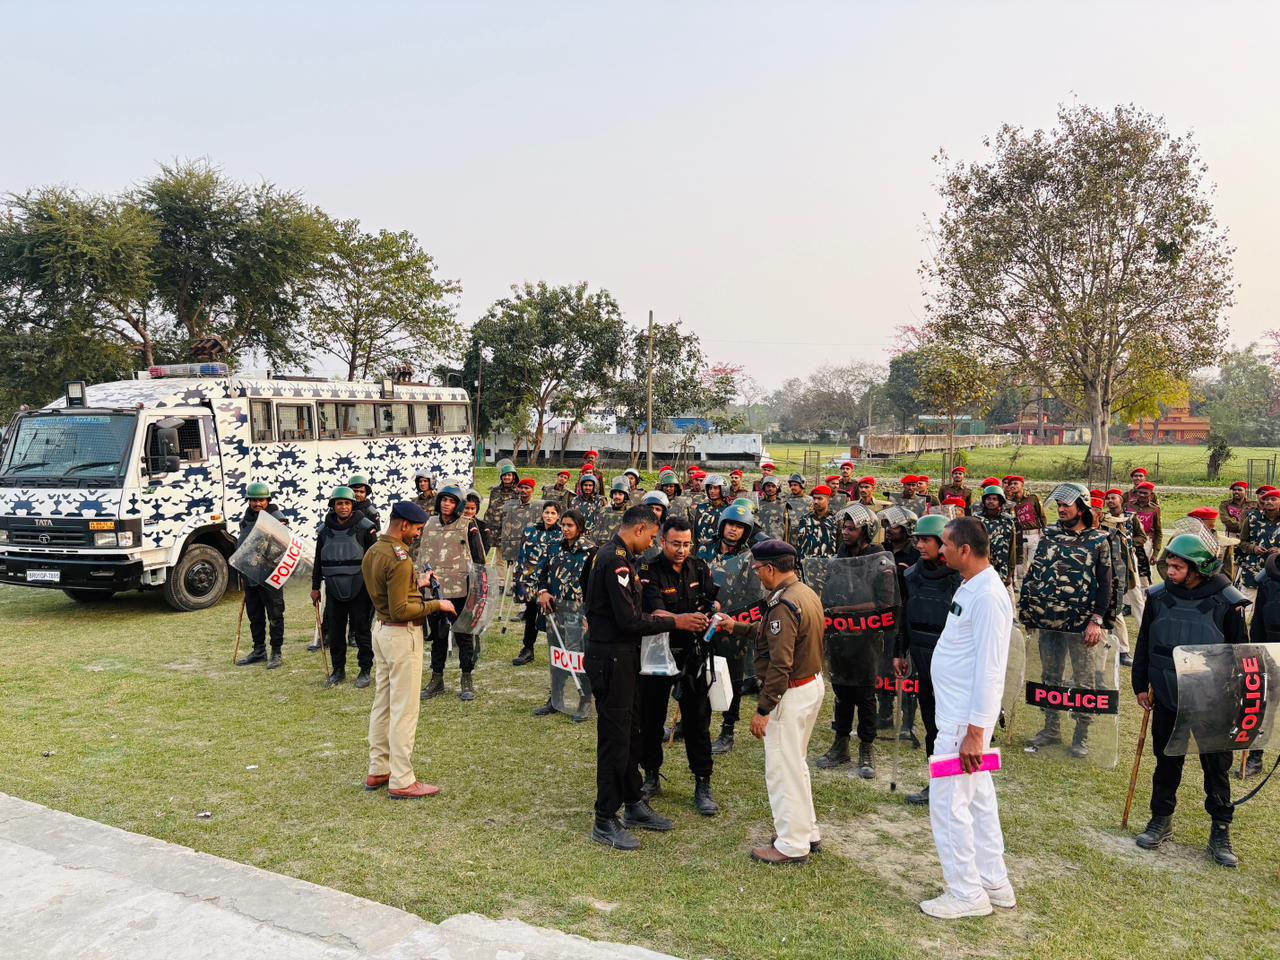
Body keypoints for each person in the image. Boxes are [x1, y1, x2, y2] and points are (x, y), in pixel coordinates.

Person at [585, 505, 708, 851]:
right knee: (615, 739)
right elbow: (630, 619)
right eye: (653, 537)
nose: (652, 544)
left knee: (631, 732)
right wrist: (676, 621)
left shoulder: (619, 557)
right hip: (612, 658)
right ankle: (605, 818)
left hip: (626, 657)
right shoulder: (614, 561)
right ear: (639, 529)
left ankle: (633, 801)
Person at [1132, 534, 1248, 867]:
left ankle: (1220, 829)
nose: (1170, 571)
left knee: (1216, 768)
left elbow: (1242, 654)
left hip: (1213, 700)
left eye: (1177, 567)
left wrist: (1238, 699)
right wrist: (1140, 684)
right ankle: (1161, 819)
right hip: (1168, 695)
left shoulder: (1228, 602)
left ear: (1197, 568)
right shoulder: (1158, 597)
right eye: (1169, 565)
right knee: (1167, 761)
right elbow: (1145, 642)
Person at [919, 516, 1015, 919]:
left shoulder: (989, 595)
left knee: (948, 805)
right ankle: (993, 882)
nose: (939, 550)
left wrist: (976, 732)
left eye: (944, 544)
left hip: (963, 725)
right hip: (959, 719)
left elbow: (991, 670)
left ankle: (965, 893)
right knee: (978, 801)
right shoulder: (971, 585)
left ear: (964, 550)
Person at [714, 539, 826, 865]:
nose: (757, 574)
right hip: (809, 685)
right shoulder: (802, 593)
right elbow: (773, 634)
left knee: (782, 770)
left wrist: (764, 709)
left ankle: (791, 844)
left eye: (759, 569)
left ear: (771, 568)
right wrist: (737, 627)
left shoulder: (783, 605)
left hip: (790, 693)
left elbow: (780, 663)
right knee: (795, 763)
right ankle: (806, 830)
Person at [363, 501, 453, 800]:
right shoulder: (400, 559)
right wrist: (436, 604)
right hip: (402, 635)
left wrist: (418, 582)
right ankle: (402, 779)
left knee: (384, 703)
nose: (418, 534)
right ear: (404, 525)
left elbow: (390, 592)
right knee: (404, 709)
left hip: (381, 630)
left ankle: (379, 768)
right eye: (416, 528)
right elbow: (401, 609)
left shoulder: (375, 550)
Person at [1020, 484, 1113, 758]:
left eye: (1066, 505)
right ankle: (1051, 728)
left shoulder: (1099, 541)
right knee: (1050, 676)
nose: (1061, 510)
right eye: (1059, 505)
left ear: (1081, 508)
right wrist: (1029, 612)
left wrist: (1097, 620)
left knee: (1084, 680)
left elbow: (1106, 584)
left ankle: (1081, 735)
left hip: (1081, 624)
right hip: (1049, 620)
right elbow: (1034, 573)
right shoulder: (1049, 536)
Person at [638, 516, 722, 816]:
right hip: (658, 654)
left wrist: (713, 610)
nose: (681, 550)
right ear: (663, 541)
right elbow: (654, 611)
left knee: (698, 720)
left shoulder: (699, 567)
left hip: (693, 655)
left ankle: (702, 782)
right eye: (676, 544)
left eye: (687, 544)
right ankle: (650, 775)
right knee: (650, 718)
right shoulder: (648, 570)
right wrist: (681, 620)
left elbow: (713, 599)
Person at [816, 504, 897, 777]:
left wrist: (845, 610)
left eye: (852, 528)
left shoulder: (880, 560)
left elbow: (884, 603)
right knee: (841, 693)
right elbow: (829, 591)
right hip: (840, 636)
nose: (846, 532)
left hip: (867, 637)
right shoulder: (839, 558)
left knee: (864, 695)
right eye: (844, 527)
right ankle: (840, 745)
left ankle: (866, 748)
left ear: (866, 530)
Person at [894, 514, 964, 806]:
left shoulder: (961, 580)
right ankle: (938, 784)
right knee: (931, 727)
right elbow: (904, 616)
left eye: (926, 540)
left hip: (953, 669)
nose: (920, 545)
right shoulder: (910, 576)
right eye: (918, 540)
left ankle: (957, 786)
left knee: (953, 731)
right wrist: (900, 652)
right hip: (923, 664)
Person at [699, 501, 760, 755]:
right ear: (722, 525)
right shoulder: (704, 549)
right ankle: (690, 723)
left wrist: (732, 616)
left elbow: (754, 595)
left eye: (740, 526)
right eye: (731, 524)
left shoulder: (749, 558)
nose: (734, 530)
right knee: (697, 674)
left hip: (733, 627)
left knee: (732, 680)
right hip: (703, 623)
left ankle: (728, 730)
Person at [418, 484, 488, 702]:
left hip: (461, 589)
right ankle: (437, 678)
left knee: (463, 636)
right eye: (443, 500)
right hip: (435, 589)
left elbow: (479, 560)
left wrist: (479, 591)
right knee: (438, 636)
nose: (446, 504)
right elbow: (422, 553)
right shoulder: (429, 523)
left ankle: (466, 678)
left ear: (458, 505)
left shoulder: (468, 524)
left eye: (451, 501)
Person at [532, 508, 597, 721]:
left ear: (580, 527)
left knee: (579, 658)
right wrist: (543, 591)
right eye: (564, 525)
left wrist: (591, 615)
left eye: (570, 525)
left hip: (579, 615)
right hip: (555, 612)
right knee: (557, 656)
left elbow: (596, 586)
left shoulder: (591, 552)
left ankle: (585, 700)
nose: (566, 529)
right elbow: (541, 573)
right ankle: (555, 698)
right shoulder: (553, 547)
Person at [311, 486, 378, 688]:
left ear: (353, 505)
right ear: (333, 506)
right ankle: (338, 670)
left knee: (362, 630)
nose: (343, 507)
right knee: (336, 631)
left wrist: (375, 588)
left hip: (360, 587)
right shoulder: (324, 531)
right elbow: (318, 560)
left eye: (347, 503)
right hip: (333, 588)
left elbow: (374, 560)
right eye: (339, 503)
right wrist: (315, 587)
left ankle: (365, 670)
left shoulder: (365, 527)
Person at [235, 482, 290, 669]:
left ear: (268, 500)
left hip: (270, 575)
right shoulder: (246, 519)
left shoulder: (275, 517)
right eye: (253, 500)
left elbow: (283, 541)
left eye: (261, 500)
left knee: (275, 614)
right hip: (250, 575)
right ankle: (259, 650)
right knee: (255, 615)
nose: (257, 503)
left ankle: (276, 652)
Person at [512, 501, 563, 666]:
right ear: (542, 513)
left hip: (552, 582)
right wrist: (519, 580)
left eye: (553, 513)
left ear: (558, 516)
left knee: (555, 618)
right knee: (531, 614)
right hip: (532, 582)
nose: (549, 516)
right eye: (547, 512)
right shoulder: (530, 531)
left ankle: (560, 653)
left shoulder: (562, 534)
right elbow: (522, 556)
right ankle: (528, 649)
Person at [1102, 489, 1143, 668]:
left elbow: (1141, 537)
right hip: (1103, 567)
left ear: (1121, 500)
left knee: (1132, 598)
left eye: (1113, 498)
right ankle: (1107, 650)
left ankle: (1124, 650)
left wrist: (1128, 542)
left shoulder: (1131, 517)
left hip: (1124, 561)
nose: (1110, 501)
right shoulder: (1102, 520)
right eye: (1108, 498)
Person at [1238, 486, 1280, 605]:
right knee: (1247, 605)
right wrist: (1254, 548)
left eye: (1273, 499)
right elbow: (1241, 542)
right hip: (1253, 568)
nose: (1269, 501)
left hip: (1277, 569)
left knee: (1274, 607)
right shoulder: (1252, 518)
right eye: (1266, 499)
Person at [791, 485, 839, 578]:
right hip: (806, 568)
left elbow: (839, 545)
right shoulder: (804, 519)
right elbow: (799, 543)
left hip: (828, 569)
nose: (816, 501)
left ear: (828, 500)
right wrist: (795, 566)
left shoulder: (835, 520)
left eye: (820, 499)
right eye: (814, 498)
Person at [1003, 476, 1044, 584]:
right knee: (1020, 568)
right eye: (1011, 484)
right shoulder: (1009, 502)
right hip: (1018, 537)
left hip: (1034, 535)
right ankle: (1020, 589)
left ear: (1022, 485)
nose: (1013, 486)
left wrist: (1043, 534)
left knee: (1034, 565)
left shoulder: (1033, 498)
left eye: (1016, 483)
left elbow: (1042, 516)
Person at [974, 485, 1017, 587]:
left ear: (1000, 501)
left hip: (1001, 568)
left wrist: (1010, 573)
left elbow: (1012, 548)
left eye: (994, 499)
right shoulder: (976, 520)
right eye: (988, 499)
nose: (991, 501)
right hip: (980, 568)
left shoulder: (1008, 521)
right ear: (984, 501)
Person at [483, 460, 521, 560]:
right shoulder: (495, 491)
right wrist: (486, 525)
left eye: (509, 475)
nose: (506, 477)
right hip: (494, 528)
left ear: (513, 477)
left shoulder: (518, 492)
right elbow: (490, 508)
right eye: (504, 475)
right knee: (489, 555)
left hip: (509, 530)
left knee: (507, 558)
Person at [1130, 481, 1163, 583]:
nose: (1142, 495)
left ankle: (1145, 591)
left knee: (1143, 572)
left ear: (1151, 495)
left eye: (1145, 493)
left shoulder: (1155, 509)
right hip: (1128, 538)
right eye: (1140, 492)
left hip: (1146, 542)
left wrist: (1155, 553)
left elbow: (1158, 531)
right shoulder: (1128, 505)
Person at [693, 474, 730, 549]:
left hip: (720, 550)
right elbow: (694, 532)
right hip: (700, 550)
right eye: (710, 488)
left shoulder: (729, 510)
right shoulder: (700, 508)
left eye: (715, 488)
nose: (712, 491)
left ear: (723, 489)